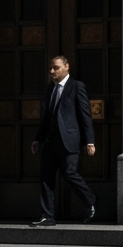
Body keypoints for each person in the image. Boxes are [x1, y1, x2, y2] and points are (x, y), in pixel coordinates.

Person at [29, 55, 97, 226]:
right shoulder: (50, 89)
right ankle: (47, 216)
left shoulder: (76, 86)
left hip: (69, 141)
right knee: (46, 178)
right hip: (51, 142)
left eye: (56, 68)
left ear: (67, 67)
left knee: (69, 173)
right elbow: (46, 117)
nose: (52, 71)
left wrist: (90, 141)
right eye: (51, 68)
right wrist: (38, 139)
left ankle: (90, 200)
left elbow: (85, 116)